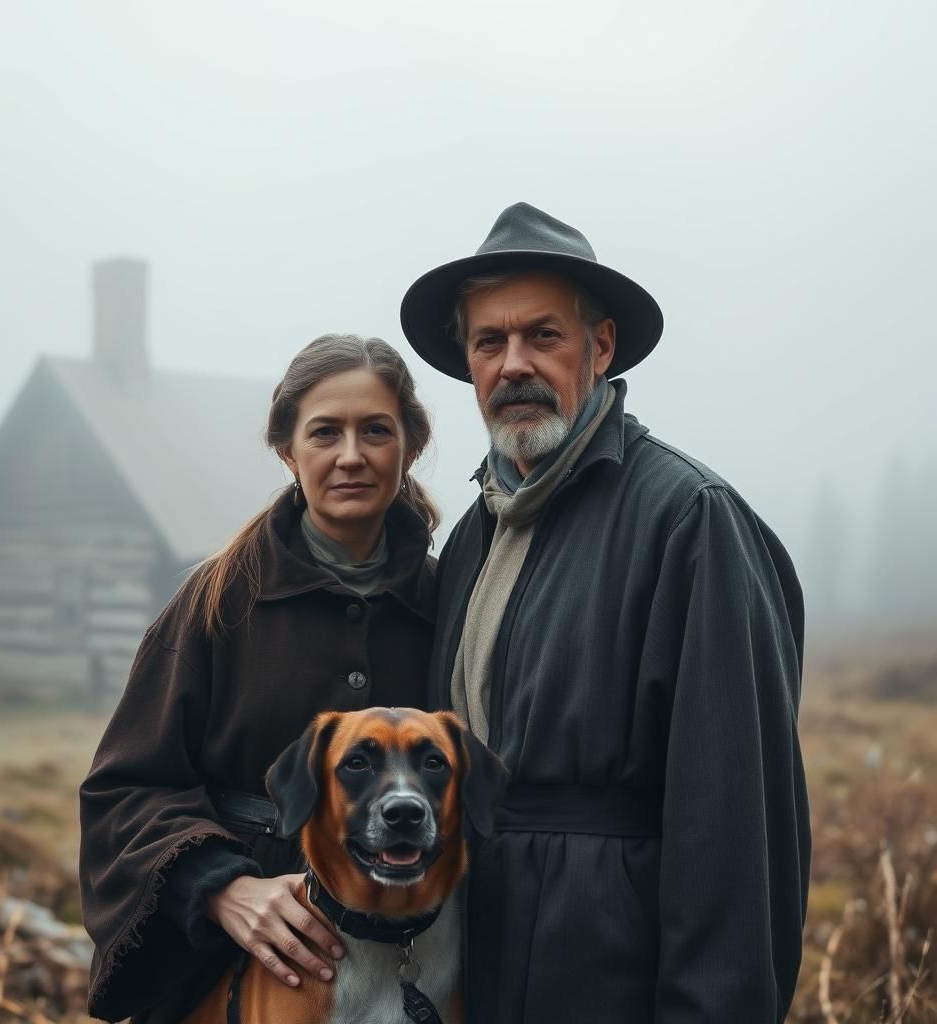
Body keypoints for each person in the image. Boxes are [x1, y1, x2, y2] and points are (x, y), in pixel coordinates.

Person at [400, 202, 811, 1023]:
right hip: (471, 968)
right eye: (490, 342)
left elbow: (734, 830)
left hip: (604, 980)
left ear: (602, 346)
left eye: (542, 335)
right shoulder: (475, 534)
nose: (513, 365)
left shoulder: (690, 520)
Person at [79, 334, 440, 1023]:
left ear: (410, 447)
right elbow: (123, 790)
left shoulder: (446, 602)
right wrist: (220, 886)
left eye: (376, 431)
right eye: (324, 432)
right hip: (228, 970)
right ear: (287, 450)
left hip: (410, 966)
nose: (351, 455)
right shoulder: (215, 601)